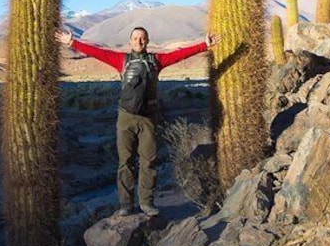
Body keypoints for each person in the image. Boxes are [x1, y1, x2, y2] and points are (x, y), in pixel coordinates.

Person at [55, 26, 218, 217]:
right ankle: (126, 204)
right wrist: (72, 43)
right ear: (130, 41)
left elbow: (179, 55)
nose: (139, 41)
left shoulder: (157, 61)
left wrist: (204, 45)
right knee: (126, 162)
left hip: (148, 118)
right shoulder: (121, 60)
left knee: (148, 162)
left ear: (147, 41)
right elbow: (98, 53)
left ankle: (146, 203)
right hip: (126, 118)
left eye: (142, 38)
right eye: (135, 38)